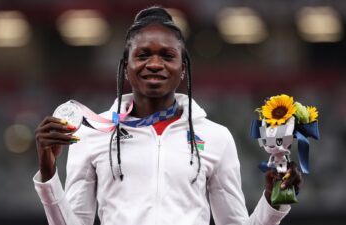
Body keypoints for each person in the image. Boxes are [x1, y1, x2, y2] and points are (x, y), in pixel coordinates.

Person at [33, 6, 302, 225]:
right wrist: (48, 173)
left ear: (182, 68)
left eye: (167, 55)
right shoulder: (94, 133)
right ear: (126, 67)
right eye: (143, 55)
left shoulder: (215, 137)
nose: (154, 64)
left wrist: (273, 201)